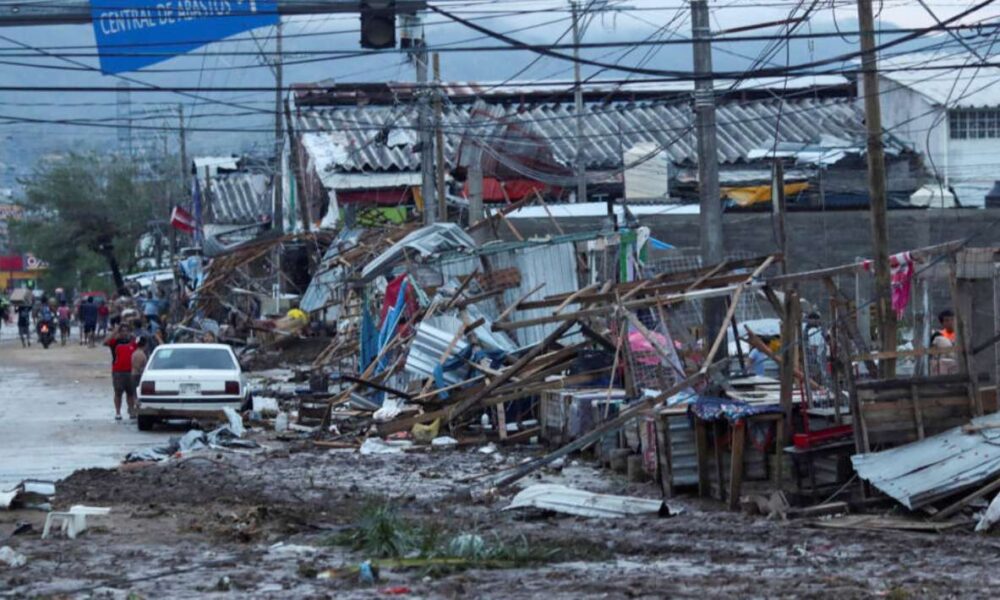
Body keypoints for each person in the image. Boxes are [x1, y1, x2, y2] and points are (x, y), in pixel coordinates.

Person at [105, 324, 138, 421]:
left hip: (130, 371)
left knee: (131, 393)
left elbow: (140, 344)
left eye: (126, 331)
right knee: (118, 393)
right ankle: (118, 413)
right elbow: (106, 342)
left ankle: (131, 411)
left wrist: (132, 335)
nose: (124, 333)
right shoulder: (115, 342)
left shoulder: (132, 342)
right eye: (122, 331)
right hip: (118, 372)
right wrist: (115, 332)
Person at [931, 309, 959, 375]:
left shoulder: (960, 336)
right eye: (947, 320)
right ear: (942, 323)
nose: (950, 322)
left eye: (952, 319)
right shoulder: (938, 336)